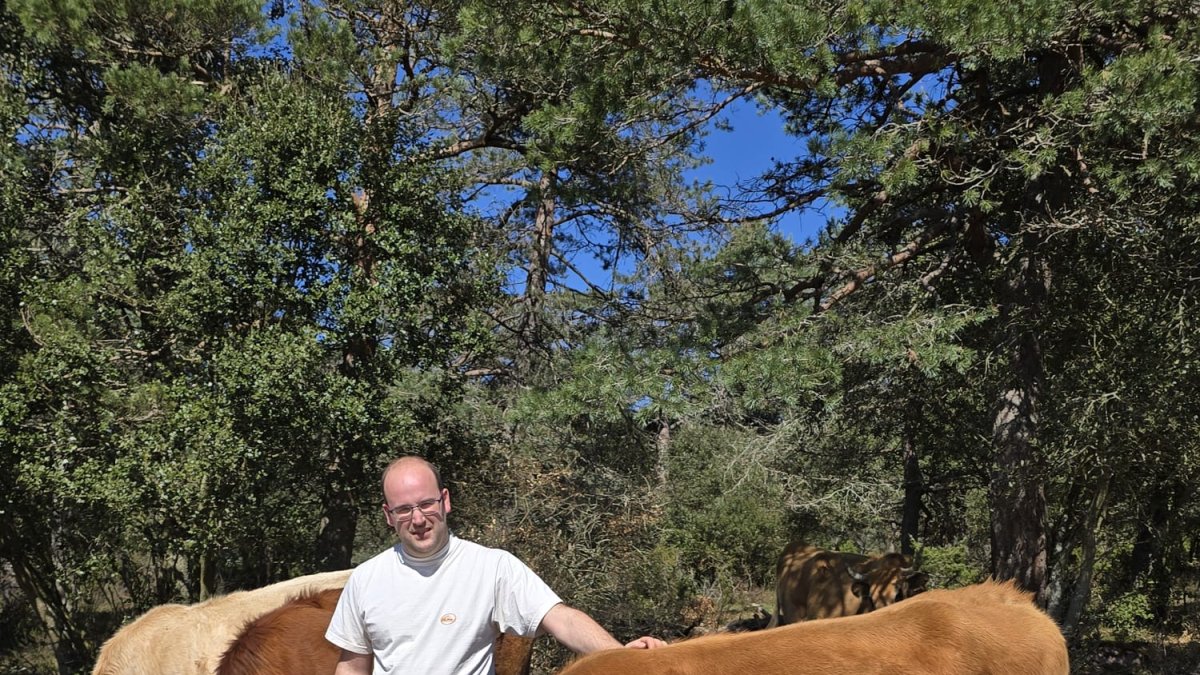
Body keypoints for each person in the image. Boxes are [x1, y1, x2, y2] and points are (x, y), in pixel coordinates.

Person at [326, 456, 666, 674]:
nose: (417, 519)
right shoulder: (366, 579)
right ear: (388, 516)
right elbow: (353, 667)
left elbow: (561, 619)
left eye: (426, 504)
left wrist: (623, 656)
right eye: (403, 510)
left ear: (445, 501)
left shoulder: (490, 568)